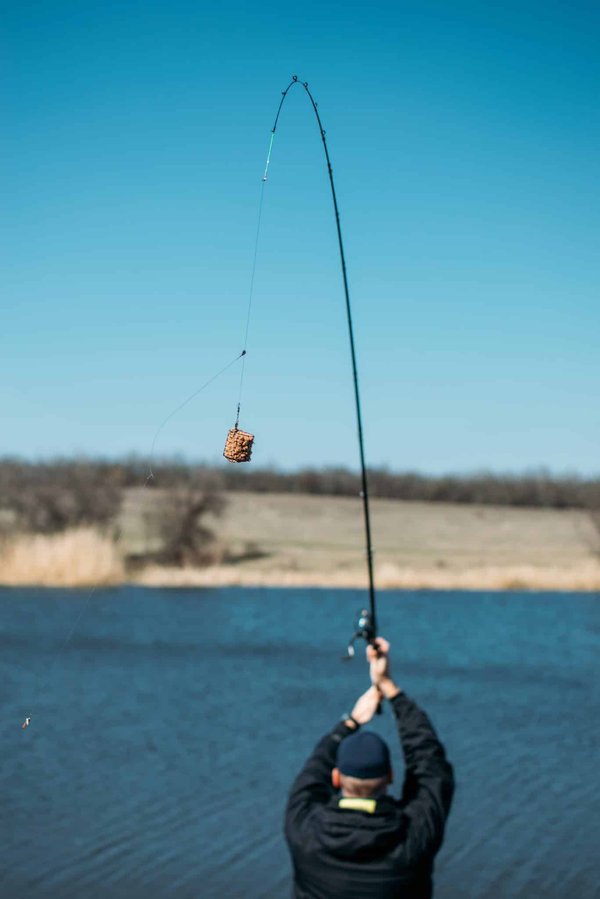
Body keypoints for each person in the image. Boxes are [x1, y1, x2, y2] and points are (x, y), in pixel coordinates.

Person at [284, 637, 454, 898]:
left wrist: (350, 722)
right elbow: (431, 766)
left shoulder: (305, 831)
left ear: (336, 778)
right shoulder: (414, 837)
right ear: (390, 776)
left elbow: (311, 774)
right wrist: (390, 688)